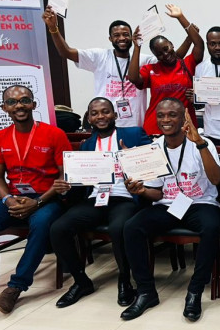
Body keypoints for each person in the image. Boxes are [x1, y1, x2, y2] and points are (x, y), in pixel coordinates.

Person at [0, 85, 71, 317]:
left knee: (41, 224)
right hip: (14, 198)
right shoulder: (0, 137)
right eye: (12, 102)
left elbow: (65, 176)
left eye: (24, 100)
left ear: (33, 104)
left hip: (47, 197)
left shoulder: (54, 134)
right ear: (4, 108)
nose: (19, 105)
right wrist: (8, 199)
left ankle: (16, 287)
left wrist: (37, 202)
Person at [120, 99, 220, 321]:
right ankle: (146, 292)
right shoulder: (154, 148)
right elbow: (157, 194)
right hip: (169, 205)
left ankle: (195, 291)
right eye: (161, 115)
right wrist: (141, 191)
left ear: (184, 118)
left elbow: (216, 180)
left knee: (212, 227)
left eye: (172, 115)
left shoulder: (202, 142)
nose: (166, 120)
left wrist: (201, 144)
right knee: (132, 227)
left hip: (200, 203)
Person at [49, 97, 153, 309]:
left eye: (105, 111)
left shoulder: (133, 134)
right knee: (58, 228)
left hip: (125, 197)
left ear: (114, 114)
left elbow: (154, 163)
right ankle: (81, 282)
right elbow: (80, 186)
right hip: (96, 199)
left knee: (118, 228)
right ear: (88, 118)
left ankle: (124, 280)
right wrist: (66, 187)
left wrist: (133, 158)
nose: (100, 116)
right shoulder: (87, 145)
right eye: (94, 113)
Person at [42, 5, 191, 128]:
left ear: (132, 36)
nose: (122, 38)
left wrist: (189, 35)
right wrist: (54, 29)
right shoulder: (99, 56)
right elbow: (66, 52)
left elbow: (173, 57)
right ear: (110, 38)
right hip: (106, 125)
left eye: (125, 34)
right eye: (117, 35)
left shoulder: (144, 60)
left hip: (136, 126)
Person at [126, 5, 204, 135]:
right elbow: (133, 78)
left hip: (185, 127)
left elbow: (199, 45)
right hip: (155, 128)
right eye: (159, 54)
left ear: (171, 45)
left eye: (166, 49)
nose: (165, 55)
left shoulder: (187, 64)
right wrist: (137, 47)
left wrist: (180, 17)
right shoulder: (150, 69)